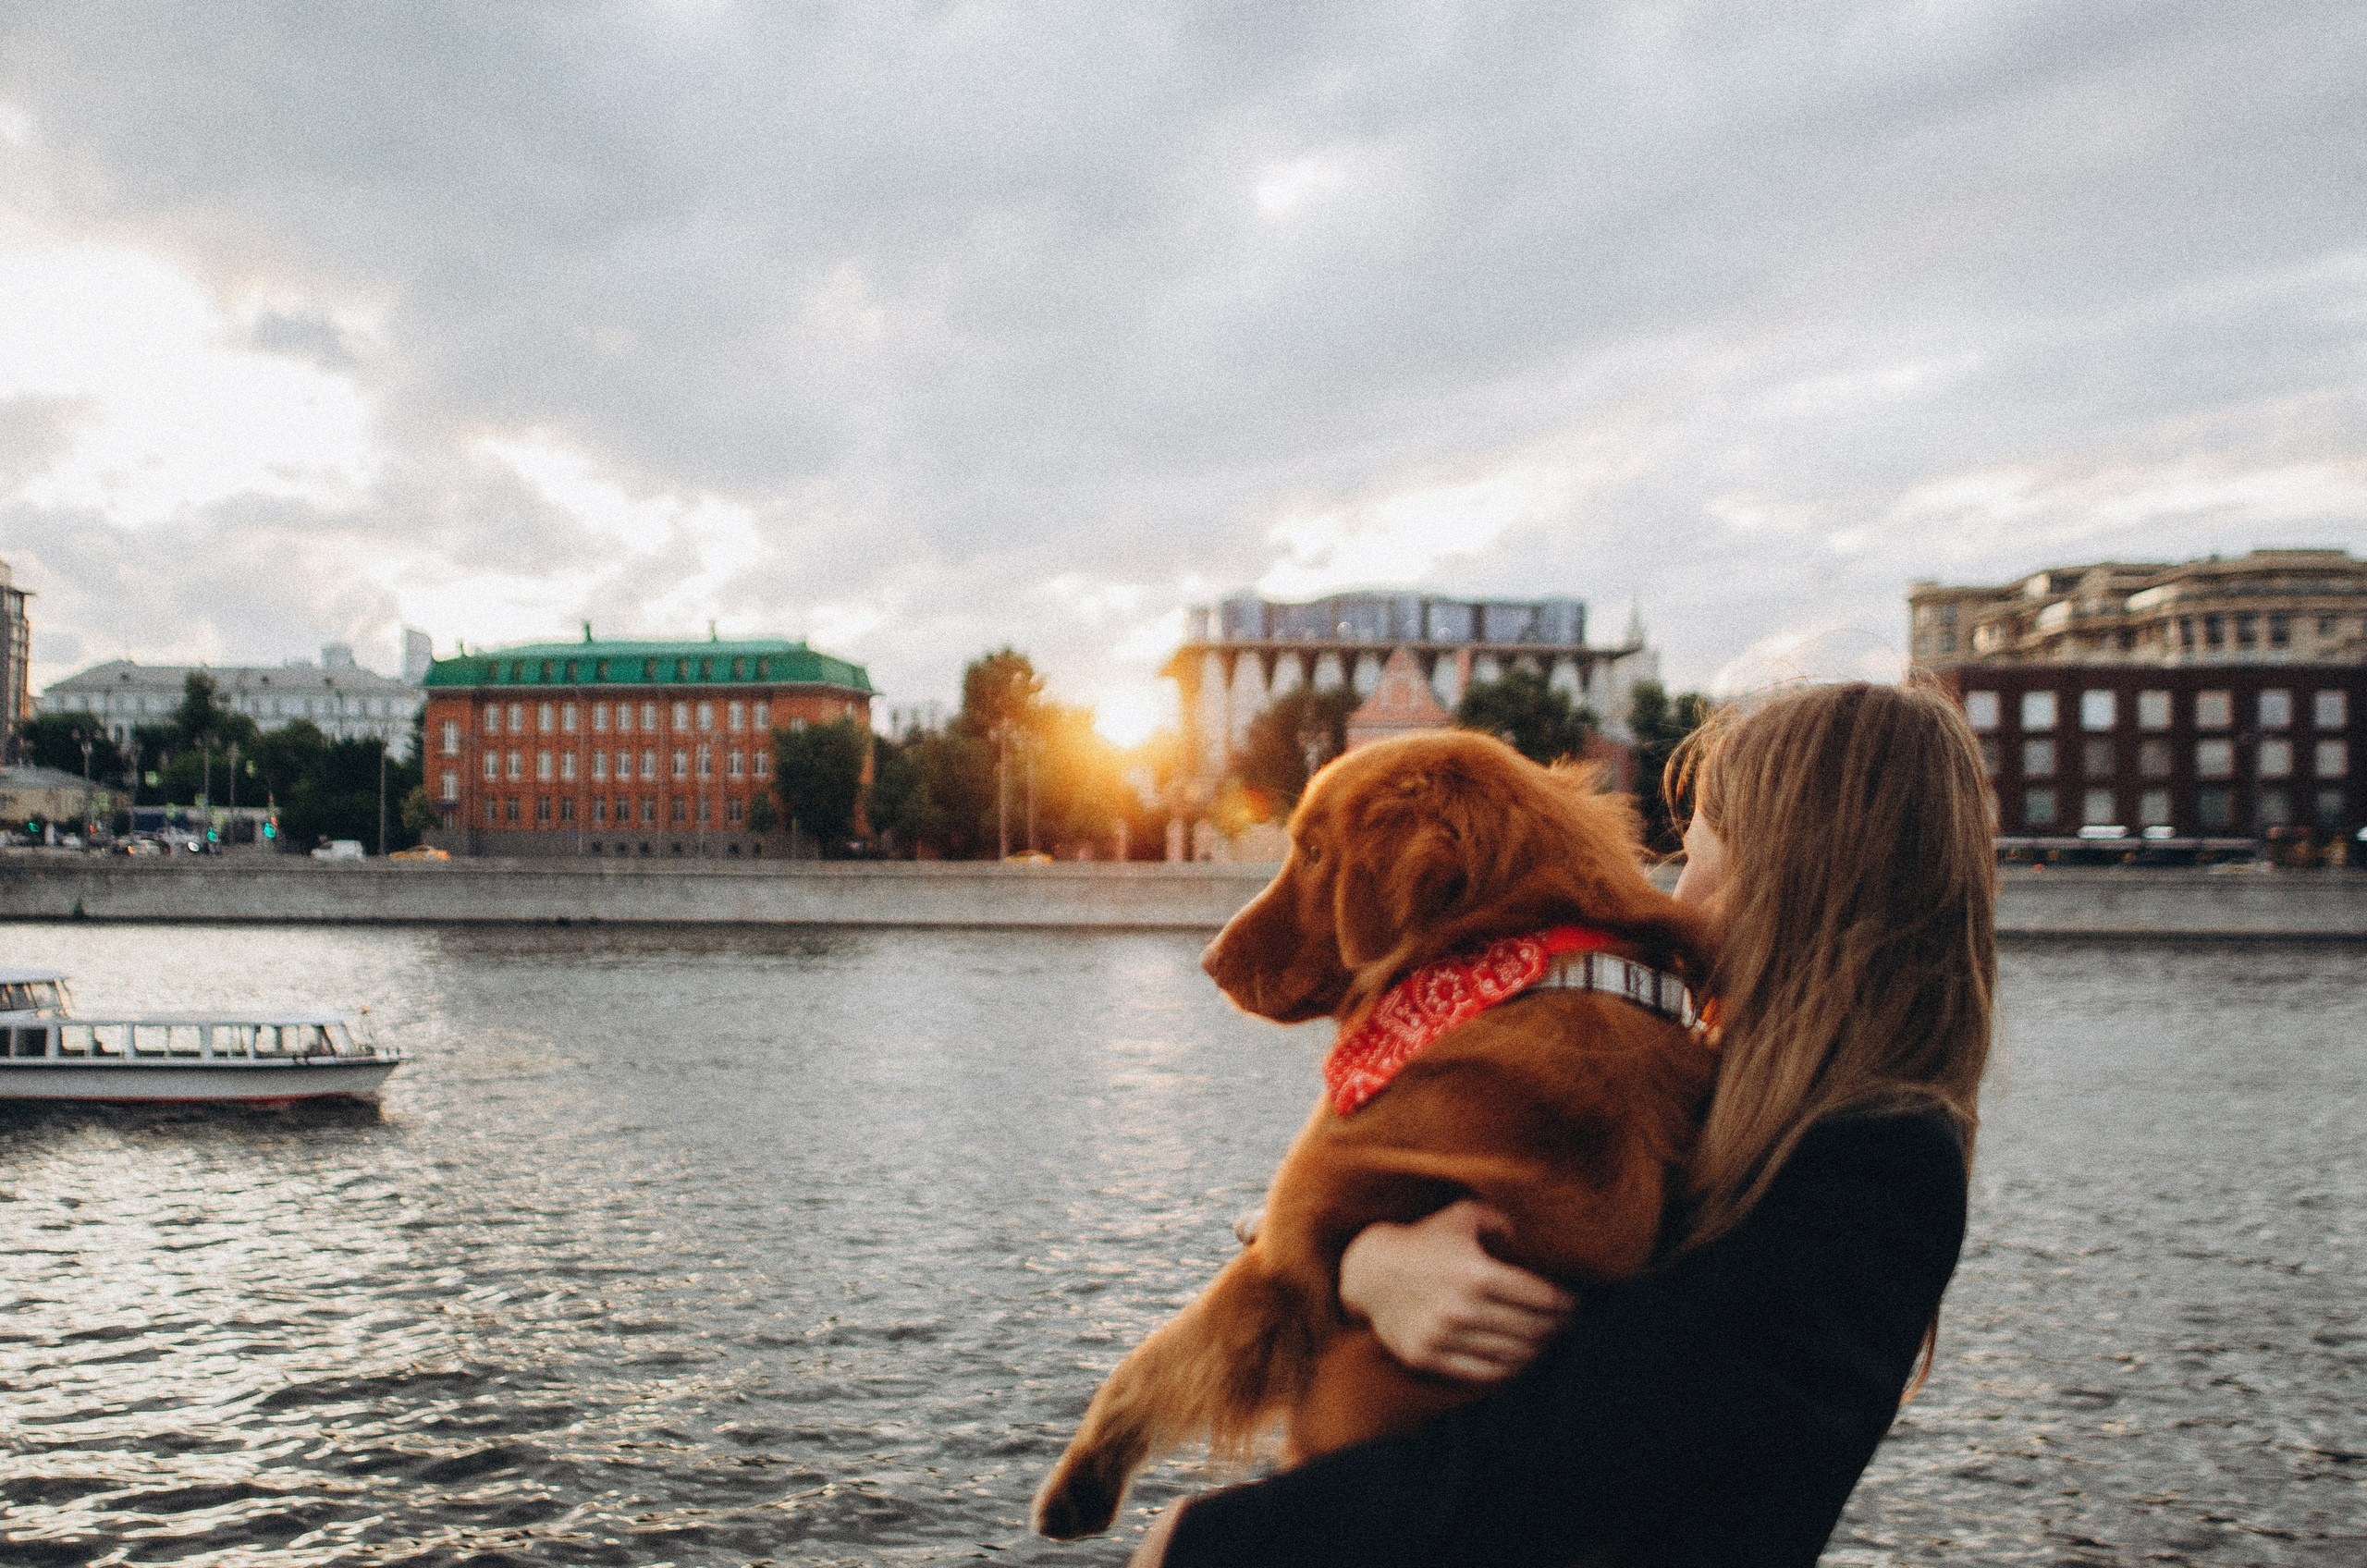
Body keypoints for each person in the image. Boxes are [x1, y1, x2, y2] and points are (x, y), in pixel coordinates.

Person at [1130, 680, 1996, 1567]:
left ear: (1789, 878)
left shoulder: (1877, 1171)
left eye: (1698, 853)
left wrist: (1203, 1543)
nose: (1672, 893)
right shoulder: (1748, 1101)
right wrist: (1367, 1267)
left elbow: (1572, 1465)